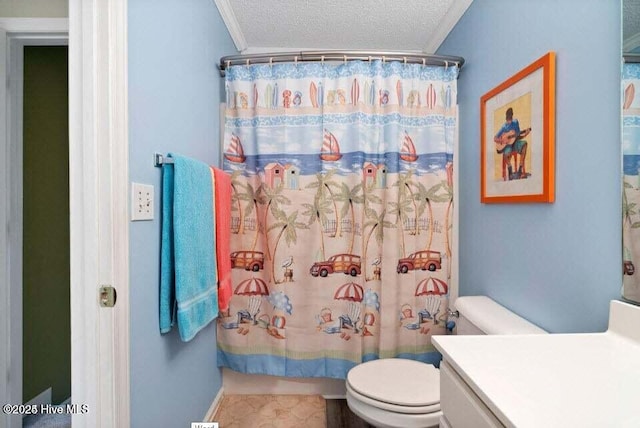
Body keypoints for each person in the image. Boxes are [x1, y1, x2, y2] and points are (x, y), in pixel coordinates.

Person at [494, 107, 531, 180]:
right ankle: (510, 172)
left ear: (512, 117)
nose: (509, 121)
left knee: (524, 144)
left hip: (515, 143)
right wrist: (502, 141)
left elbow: (518, 136)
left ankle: (519, 171)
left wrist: (525, 134)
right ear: (506, 118)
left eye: (510, 120)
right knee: (506, 153)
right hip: (508, 146)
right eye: (507, 120)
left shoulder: (516, 122)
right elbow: (495, 138)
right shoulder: (504, 127)